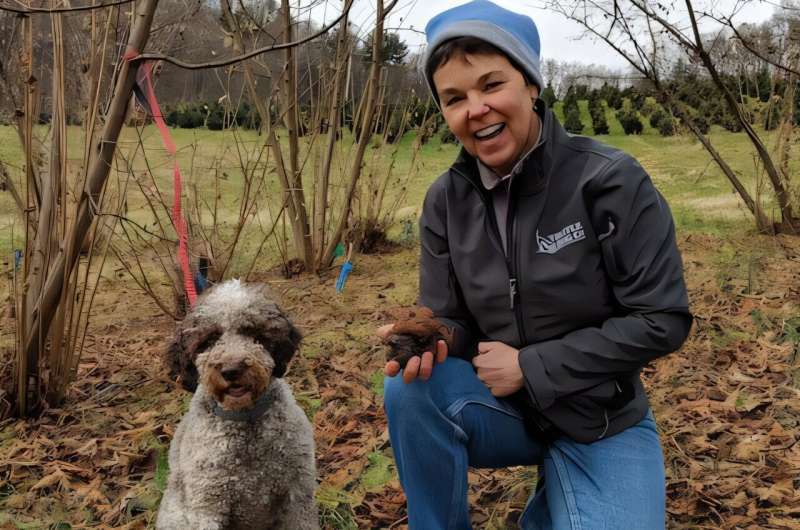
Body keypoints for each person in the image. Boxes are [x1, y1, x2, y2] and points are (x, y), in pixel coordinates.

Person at [377, 1, 694, 529]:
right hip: (505, 411)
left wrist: (530, 366)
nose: (475, 108)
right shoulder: (446, 201)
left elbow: (662, 319)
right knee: (410, 389)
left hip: (600, 418)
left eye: (491, 85)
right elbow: (453, 319)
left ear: (531, 85)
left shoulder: (610, 181)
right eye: (454, 99)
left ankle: (560, 498)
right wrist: (429, 338)